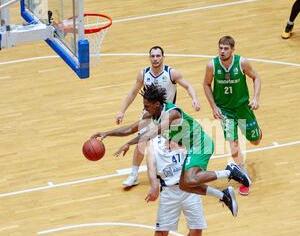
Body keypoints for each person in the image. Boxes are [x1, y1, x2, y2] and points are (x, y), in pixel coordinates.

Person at [92, 84, 252, 217]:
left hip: (200, 144)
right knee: (184, 185)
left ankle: (230, 172)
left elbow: (153, 133)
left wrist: (128, 144)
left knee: (190, 179)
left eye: (147, 105)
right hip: (190, 149)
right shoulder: (152, 113)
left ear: (156, 104)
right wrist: (107, 133)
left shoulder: (172, 113)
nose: (145, 108)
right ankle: (223, 195)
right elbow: (130, 128)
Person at [116, 46, 200, 187]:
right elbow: (132, 93)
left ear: (163, 57)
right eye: (153, 56)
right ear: (149, 58)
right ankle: (134, 175)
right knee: (142, 142)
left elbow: (188, 86)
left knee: (172, 145)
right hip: (149, 115)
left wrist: (194, 99)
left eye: (158, 56)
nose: (155, 59)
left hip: (166, 115)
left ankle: (176, 171)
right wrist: (122, 111)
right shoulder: (143, 74)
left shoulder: (171, 73)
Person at [139, 135, 209, 236]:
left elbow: (198, 155)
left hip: (190, 189)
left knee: (197, 233)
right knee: (160, 235)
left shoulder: (185, 135)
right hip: (169, 192)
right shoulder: (153, 144)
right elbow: (150, 168)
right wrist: (153, 185)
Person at [203, 35, 262, 196]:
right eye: (220, 48)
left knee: (255, 140)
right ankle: (244, 177)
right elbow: (206, 85)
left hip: (243, 108)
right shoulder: (212, 65)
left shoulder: (242, 62)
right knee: (233, 144)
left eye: (226, 48)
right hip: (225, 111)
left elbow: (256, 77)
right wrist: (214, 107)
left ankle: (257, 132)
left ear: (233, 49)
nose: (222, 51)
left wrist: (255, 98)